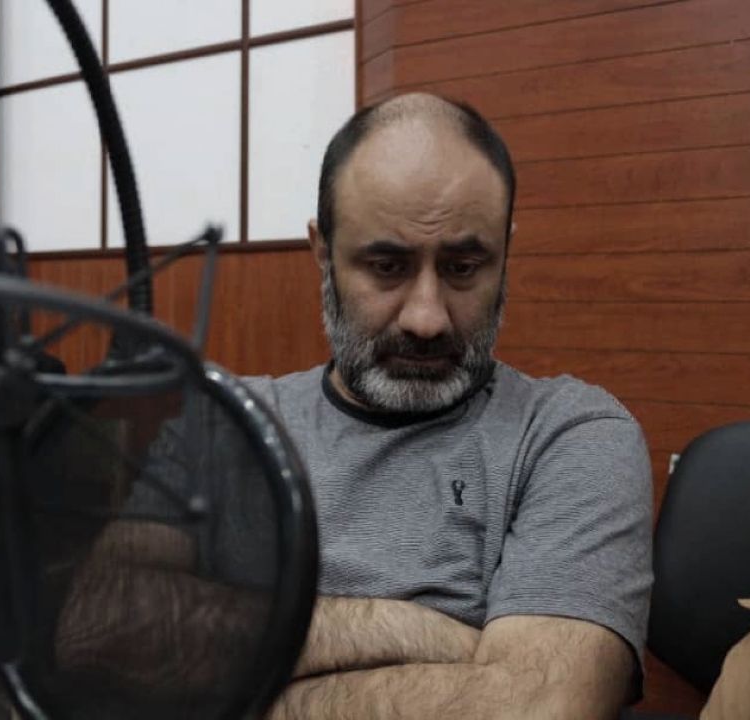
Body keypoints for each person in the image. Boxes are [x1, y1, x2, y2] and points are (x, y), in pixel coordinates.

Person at [245, 92, 653, 719]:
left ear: (504, 255)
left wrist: (238, 676)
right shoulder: (232, 422)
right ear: (322, 252)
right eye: (387, 266)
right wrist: (432, 635)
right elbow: (112, 638)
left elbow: (538, 707)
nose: (427, 318)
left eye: (463, 267)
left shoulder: (571, 435)